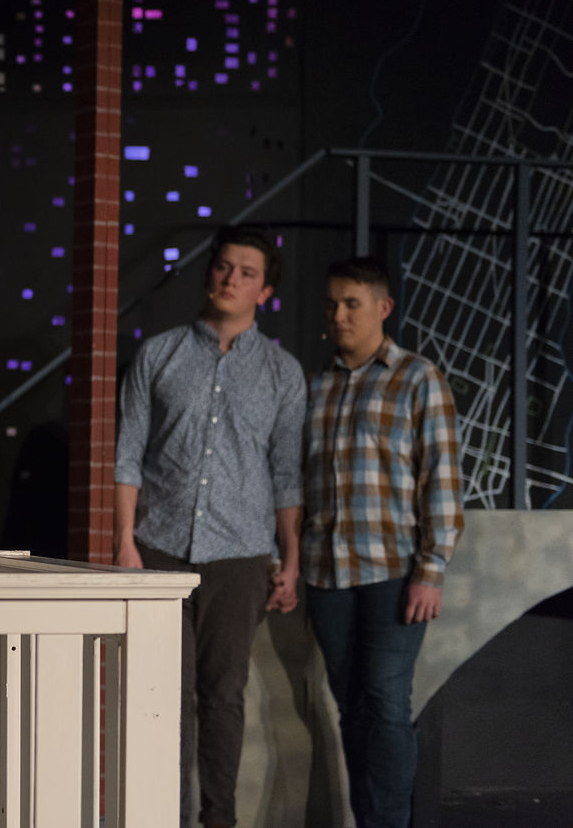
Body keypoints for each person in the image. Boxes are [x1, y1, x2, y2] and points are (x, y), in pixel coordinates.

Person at [114, 225, 306, 828]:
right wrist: (125, 542)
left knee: (223, 696)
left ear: (265, 291)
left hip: (240, 554)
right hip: (159, 548)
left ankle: (217, 819)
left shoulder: (282, 373)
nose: (231, 279)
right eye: (223, 267)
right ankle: (164, 817)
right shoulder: (159, 354)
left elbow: (286, 472)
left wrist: (291, 558)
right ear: (208, 273)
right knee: (164, 696)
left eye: (247, 273)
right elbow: (128, 454)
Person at [302, 256, 463, 828]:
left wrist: (431, 570)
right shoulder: (316, 386)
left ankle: (389, 822)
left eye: (352, 304)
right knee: (351, 708)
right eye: (332, 304)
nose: (339, 316)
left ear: (383, 307)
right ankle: (367, 819)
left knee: (387, 704)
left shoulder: (418, 378)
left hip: (394, 572)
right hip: (326, 574)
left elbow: (441, 477)